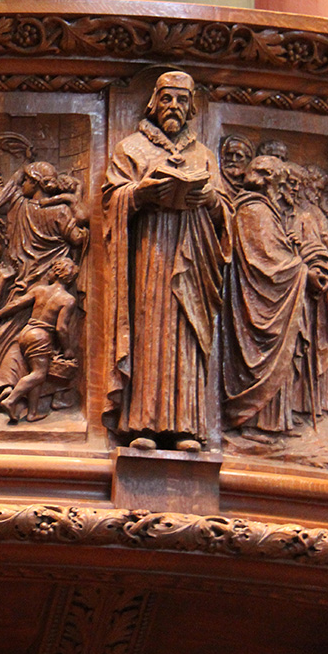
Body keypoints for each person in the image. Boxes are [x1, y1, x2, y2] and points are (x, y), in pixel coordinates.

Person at [103, 71, 230, 451]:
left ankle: (186, 427)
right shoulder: (131, 149)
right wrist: (140, 194)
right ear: (153, 103)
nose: (173, 106)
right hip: (148, 255)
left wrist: (210, 200)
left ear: (191, 108)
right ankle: (142, 423)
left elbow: (225, 212)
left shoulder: (203, 155)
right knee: (149, 331)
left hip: (193, 257)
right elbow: (110, 199)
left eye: (181, 100)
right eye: (167, 98)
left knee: (185, 336)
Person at [224, 155, 326, 434]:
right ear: (270, 182)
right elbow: (268, 261)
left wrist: (295, 251)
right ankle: (258, 428)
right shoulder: (254, 210)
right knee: (263, 357)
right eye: (283, 184)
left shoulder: (267, 212)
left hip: (272, 301)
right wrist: (304, 271)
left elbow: (277, 252)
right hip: (261, 304)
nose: (286, 191)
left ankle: (275, 426)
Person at [0, 257, 79, 423]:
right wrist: (68, 349)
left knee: (35, 371)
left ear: (56, 272)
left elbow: (17, 303)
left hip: (26, 332)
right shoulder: (67, 299)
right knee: (39, 374)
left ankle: (32, 412)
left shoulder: (40, 290)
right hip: (41, 335)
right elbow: (61, 328)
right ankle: (11, 400)